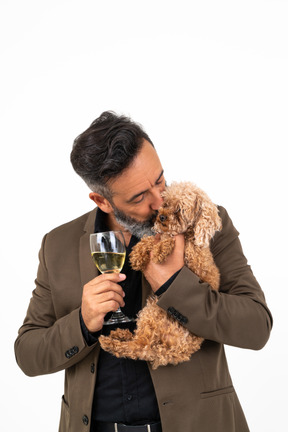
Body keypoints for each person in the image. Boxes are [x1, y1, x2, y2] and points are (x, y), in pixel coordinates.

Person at [15, 111, 273, 432]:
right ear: (102, 200)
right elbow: (27, 354)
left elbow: (257, 326)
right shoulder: (58, 244)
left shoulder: (204, 220)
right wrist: (81, 323)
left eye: (160, 179)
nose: (159, 201)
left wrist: (176, 286)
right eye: (139, 196)